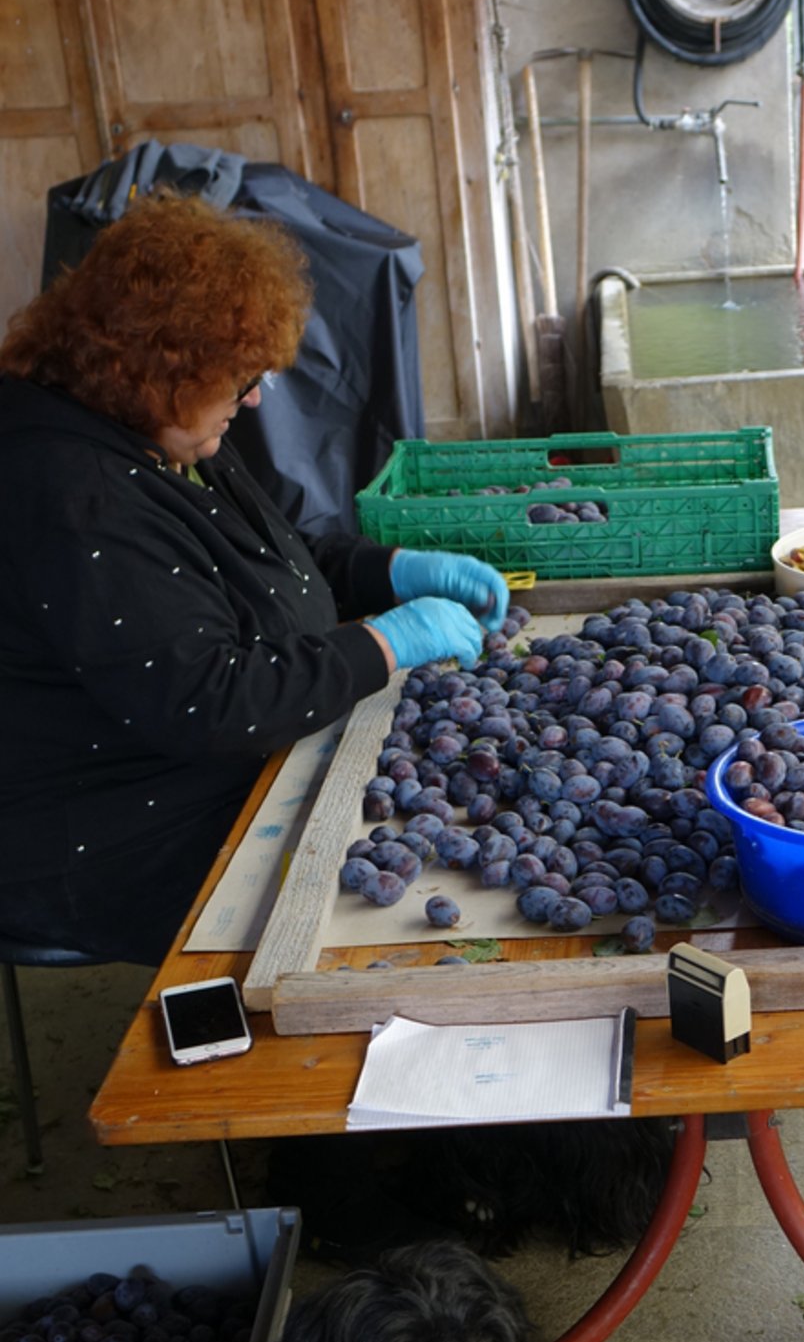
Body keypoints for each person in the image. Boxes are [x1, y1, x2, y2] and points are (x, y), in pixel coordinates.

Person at [0, 191, 510, 966]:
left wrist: (390, 572)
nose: (256, 396)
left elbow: (268, 559)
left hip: (221, 765)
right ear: (159, 372)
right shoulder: (76, 497)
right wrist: (383, 644)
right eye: (240, 379)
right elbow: (208, 701)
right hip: (114, 831)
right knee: (390, 906)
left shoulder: (160, 428)